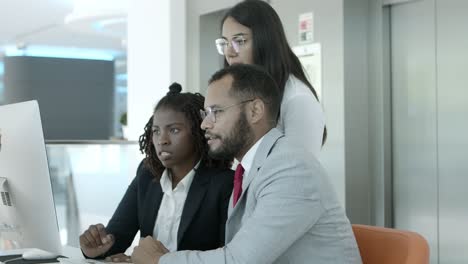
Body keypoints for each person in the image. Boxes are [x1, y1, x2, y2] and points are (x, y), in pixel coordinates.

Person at [131, 64, 362, 264]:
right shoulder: (250, 169)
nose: (205, 125)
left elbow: (239, 260)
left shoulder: (291, 168)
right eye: (205, 114)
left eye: (216, 112)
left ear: (255, 111)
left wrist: (159, 260)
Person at [79, 83, 234, 262]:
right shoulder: (147, 174)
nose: (162, 140)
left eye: (174, 130)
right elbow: (117, 237)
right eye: (156, 131)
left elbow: (227, 256)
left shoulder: (224, 183)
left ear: (199, 132)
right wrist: (96, 248)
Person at [215, 0, 327, 157]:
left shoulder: (298, 99)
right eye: (225, 43)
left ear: (266, 41)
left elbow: (299, 173)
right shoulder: (246, 94)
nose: (229, 52)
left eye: (239, 41)